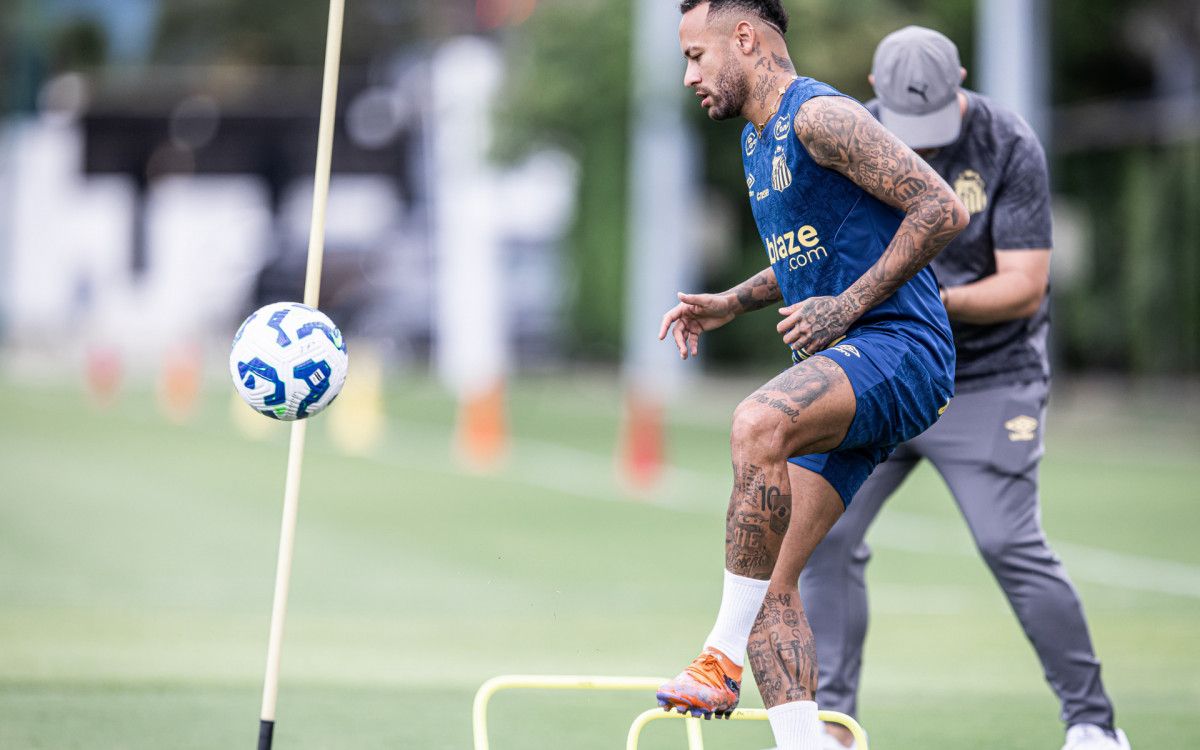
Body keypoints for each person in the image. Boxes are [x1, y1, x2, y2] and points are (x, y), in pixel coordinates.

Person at [799, 26, 1130, 750]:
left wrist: (920, 303)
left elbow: (1025, 285)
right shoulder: (844, 137)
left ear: (964, 83)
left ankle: (1092, 725)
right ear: (876, 94)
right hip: (885, 373)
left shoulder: (1008, 143)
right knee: (826, 534)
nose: (924, 145)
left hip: (988, 378)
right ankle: (832, 729)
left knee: (1008, 539)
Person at [654, 3, 968, 748]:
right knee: (765, 579)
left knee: (756, 422)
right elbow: (809, 251)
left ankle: (718, 659)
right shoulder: (756, 140)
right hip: (848, 367)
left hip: (901, 347)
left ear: (745, 38)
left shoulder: (819, 115)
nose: (690, 76)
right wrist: (733, 301)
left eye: (696, 56)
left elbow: (942, 207)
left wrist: (849, 305)